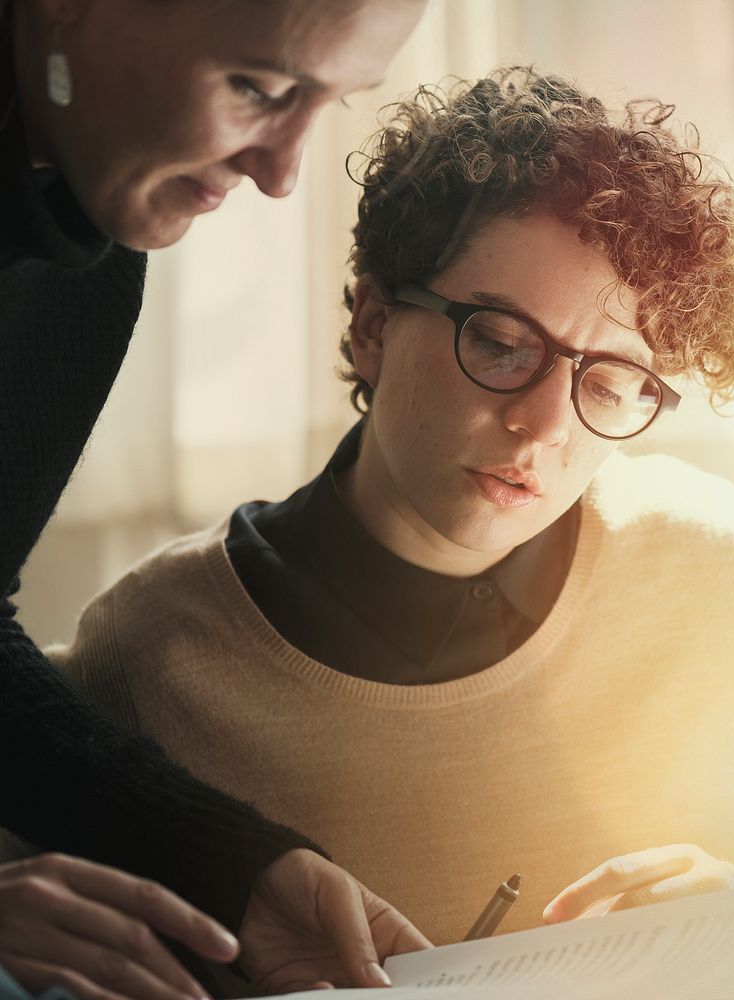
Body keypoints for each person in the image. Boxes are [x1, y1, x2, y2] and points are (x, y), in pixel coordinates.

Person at [49, 68, 734, 946]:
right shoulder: (150, 655)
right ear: (373, 327)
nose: (543, 424)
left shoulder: (721, 573)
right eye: (502, 344)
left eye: (614, 381)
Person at [0, 0, 432, 995]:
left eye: (331, 102)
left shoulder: (88, 261)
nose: (281, 175)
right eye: (259, 89)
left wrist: (239, 866)